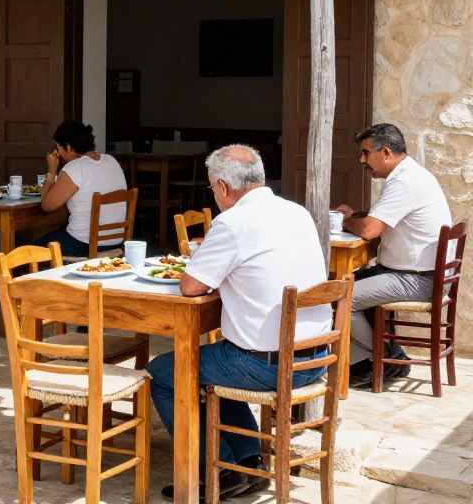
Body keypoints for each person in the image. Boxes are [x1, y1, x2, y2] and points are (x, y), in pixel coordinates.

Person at [147, 145, 330, 500]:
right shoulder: (297, 212)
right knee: (220, 359)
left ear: (222, 186)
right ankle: (248, 463)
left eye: (211, 188)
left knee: (165, 373)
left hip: (267, 366)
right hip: (315, 358)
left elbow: (190, 286)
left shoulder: (232, 222)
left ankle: (218, 471)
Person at [333, 123, 451, 388]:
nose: (361, 160)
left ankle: (385, 359)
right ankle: (375, 359)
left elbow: (370, 229)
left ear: (385, 152)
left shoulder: (405, 182)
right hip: (410, 273)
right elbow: (376, 216)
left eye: (366, 153)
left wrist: (345, 222)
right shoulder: (408, 174)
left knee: (341, 296)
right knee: (342, 283)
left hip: (417, 279)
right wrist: (355, 215)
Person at [37, 120, 128, 256]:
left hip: (82, 244)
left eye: (58, 146)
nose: (57, 151)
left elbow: (47, 205)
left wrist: (51, 170)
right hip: (116, 242)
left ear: (68, 147)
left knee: (28, 252)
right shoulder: (111, 160)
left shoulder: (75, 168)